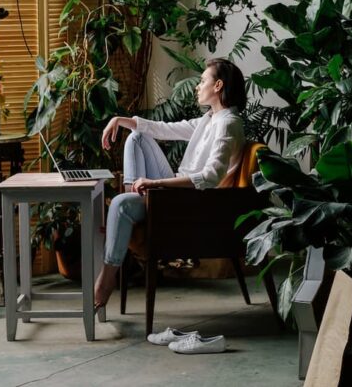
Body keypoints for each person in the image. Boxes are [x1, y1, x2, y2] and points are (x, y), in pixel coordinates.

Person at [93, 58, 247, 308]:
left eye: (203, 81)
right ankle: (137, 202)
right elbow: (165, 129)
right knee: (137, 136)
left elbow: (211, 177)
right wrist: (119, 120)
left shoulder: (228, 124)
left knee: (121, 205)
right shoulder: (211, 119)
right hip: (177, 194)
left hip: (192, 202)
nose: (198, 86)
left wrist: (156, 183)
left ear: (218, 86)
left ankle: (108, 275)